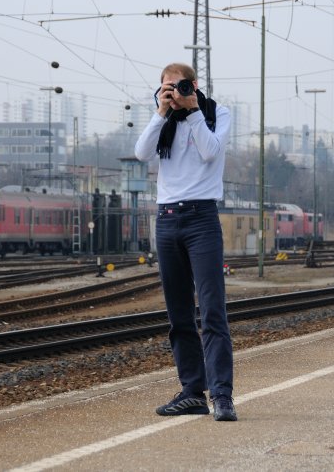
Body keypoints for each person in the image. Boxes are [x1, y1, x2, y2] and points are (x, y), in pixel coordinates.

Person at [134, 63, 236, 422]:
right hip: (167, 220)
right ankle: (192, 392)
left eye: (177, 87)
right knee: (179, 314)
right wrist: (161, 112)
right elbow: (142, 152)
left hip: (202, 219)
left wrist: (192, 110)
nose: (172, 92)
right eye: (166, 88)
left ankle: (221, 396)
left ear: (193, 85)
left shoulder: (216, 114)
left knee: (211, 311)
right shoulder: (163, 121)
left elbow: (210, 152)